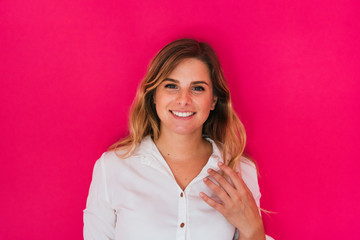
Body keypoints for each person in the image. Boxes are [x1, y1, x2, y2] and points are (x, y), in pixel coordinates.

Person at [83, 38, 274, 240]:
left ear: (213, 100)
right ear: (154, 95)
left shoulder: (240, 171)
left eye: (197, 88)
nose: (184, 99)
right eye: (171, 86)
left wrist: (253, 231)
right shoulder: (112, 168)